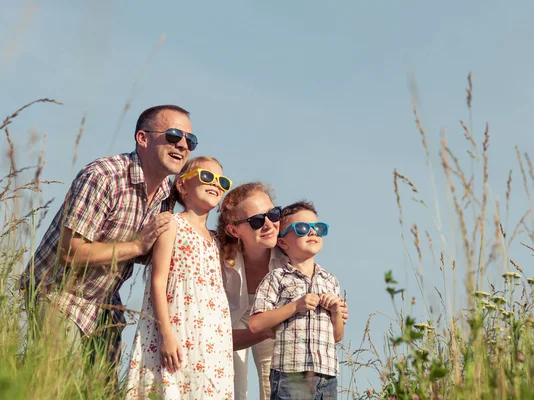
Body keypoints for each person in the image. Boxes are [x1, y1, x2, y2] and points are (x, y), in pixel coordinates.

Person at [20, 105, 195, 372]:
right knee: (57, 380)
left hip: (104, 304)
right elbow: (70, 252)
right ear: (143, 138)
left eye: (190, 140)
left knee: (103, 390)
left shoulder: (167, 196)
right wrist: (137, 245)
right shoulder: (104, 176)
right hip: (57, 292)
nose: (183, 145)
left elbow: (150, 253)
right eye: (173, 135)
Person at [217, 184, 349, 400]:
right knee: (231, 386)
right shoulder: (218, 261)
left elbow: (333, 329)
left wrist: (336, 311)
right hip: (240, 322)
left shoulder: (291, 258)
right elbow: (214, 337)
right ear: (234, 230)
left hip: (278, 318)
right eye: (257, 221)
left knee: (273, 387)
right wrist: (267, 327)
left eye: (273, 214)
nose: (269, 224)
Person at [125, 156, 234, 399]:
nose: (216, 184)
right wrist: (166, 335)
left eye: (222, 181)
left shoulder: (217, 240)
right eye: (207, 176)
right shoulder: (172, 224)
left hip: (212, 336)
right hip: (177, 327)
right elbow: (158, 281)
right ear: (182, 186)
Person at [249, 201, 343, 400]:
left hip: (326, 375)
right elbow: (256, 324)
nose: (312, 233)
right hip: (289, 373)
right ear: (283, 242)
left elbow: (337, 336)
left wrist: (336, 312)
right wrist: (295, 306)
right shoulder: (276, 278)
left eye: (318, 228)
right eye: (302, 228)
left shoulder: (330, 281)